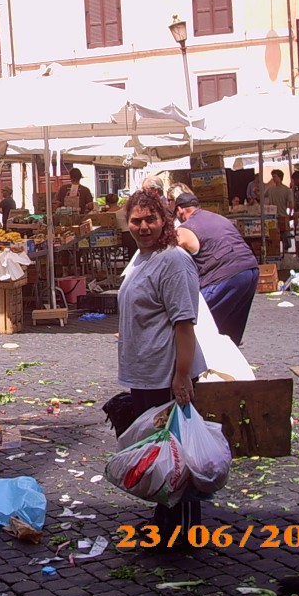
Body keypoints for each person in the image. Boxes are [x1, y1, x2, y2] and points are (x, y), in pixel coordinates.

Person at [117, 188, 206, 542]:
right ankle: (164, 520)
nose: (142, 226)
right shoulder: (143, 257)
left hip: (165, 374)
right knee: (158, 453)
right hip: (145, 372)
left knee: (175, 454)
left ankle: (183, 530)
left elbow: (184, 323)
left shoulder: (173, 260)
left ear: (164, 220)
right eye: (136, 220)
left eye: (150, 219)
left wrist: (182, 375)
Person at [172, 193, 260, 345]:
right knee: (231, 326)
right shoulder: (219, 217)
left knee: (197, 320)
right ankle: (228, 359)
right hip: (250, 269)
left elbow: (171, 252)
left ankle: (199, 360)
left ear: (180, 210)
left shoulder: (185, 228)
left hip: (225, 274)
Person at [264, 170, 293, 251]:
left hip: (282, 216)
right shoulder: (270, 189)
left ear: (280, 177)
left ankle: (286, 252)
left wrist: (290, 215)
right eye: (272, 176)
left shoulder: (286, 190)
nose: (273, 178)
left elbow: (290, 203)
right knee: (273, 239)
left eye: (275, 176)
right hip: (272, 217)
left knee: (285, 238)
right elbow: (261, 197)